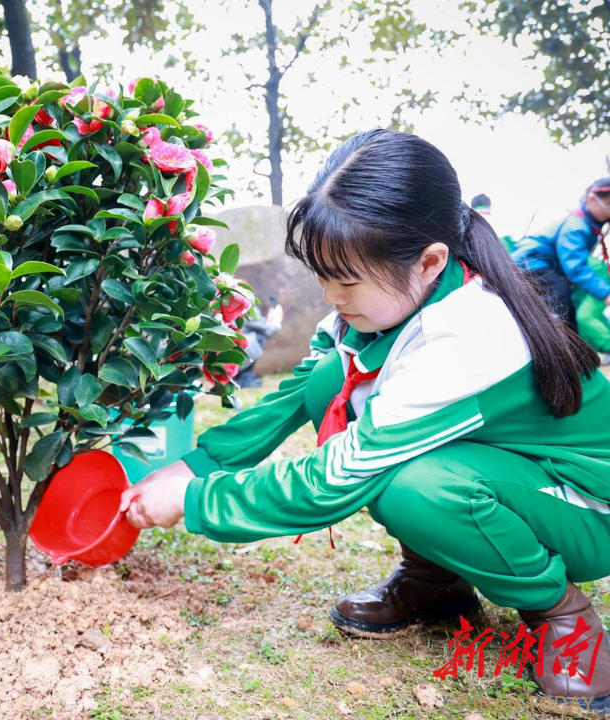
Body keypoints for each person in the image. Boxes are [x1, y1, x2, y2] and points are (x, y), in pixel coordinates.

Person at [121, 129, 610, 709]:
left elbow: (337, 479)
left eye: (346, 280)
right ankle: (437, 582)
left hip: (583, 506)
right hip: (516, 475)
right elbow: (293, 397)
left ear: (429, 261)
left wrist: (199, 499)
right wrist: (190, 464)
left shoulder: (467, 333)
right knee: (332, 381)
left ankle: (562, 616)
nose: (332, 297)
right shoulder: (384, 310)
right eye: (323, 276)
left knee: (414, 485)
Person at [510, 177, 610, 324]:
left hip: (543, 264)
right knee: (559, 296)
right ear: (592, 199)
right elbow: (575, 266)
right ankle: (542, 334)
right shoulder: (577, 226)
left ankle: (570, 343)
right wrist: (605, 292)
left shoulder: (589, 226)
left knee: (569, 308)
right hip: (530, 261)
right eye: (608, 205)